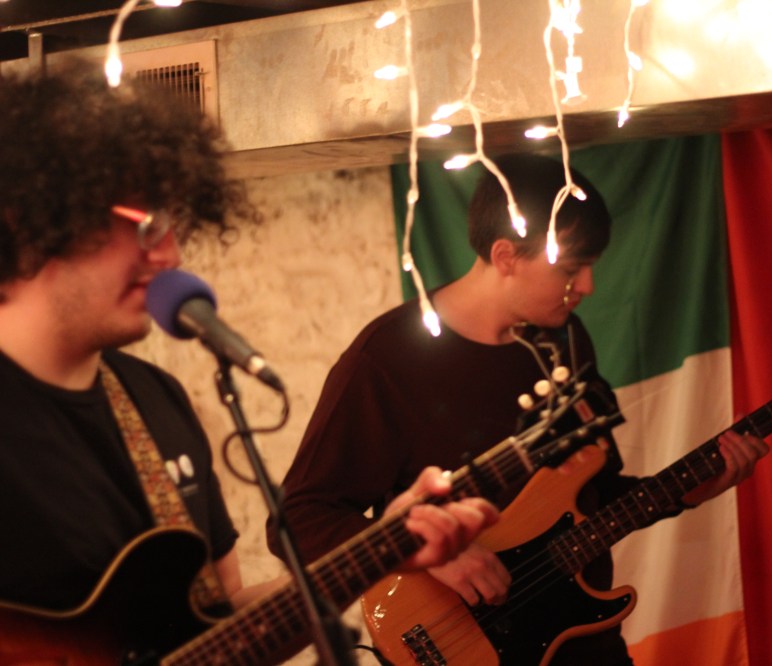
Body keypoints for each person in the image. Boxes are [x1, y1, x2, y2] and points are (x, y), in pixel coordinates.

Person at [0, 62, 498, 658]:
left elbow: (219, 627)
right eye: (147, 225)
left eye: (173, 224)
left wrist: (380, 551)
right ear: (35, 218)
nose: (170, 254)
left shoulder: (154, 401)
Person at [271, 153, 771, 664]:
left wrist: (688, 490)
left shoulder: (563, 340)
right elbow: (298, 520)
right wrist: (421, 553)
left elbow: (590, 496)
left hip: (583, 647)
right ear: (506, 256)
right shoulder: (387, 358)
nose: (588, 287)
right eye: (571, 269)